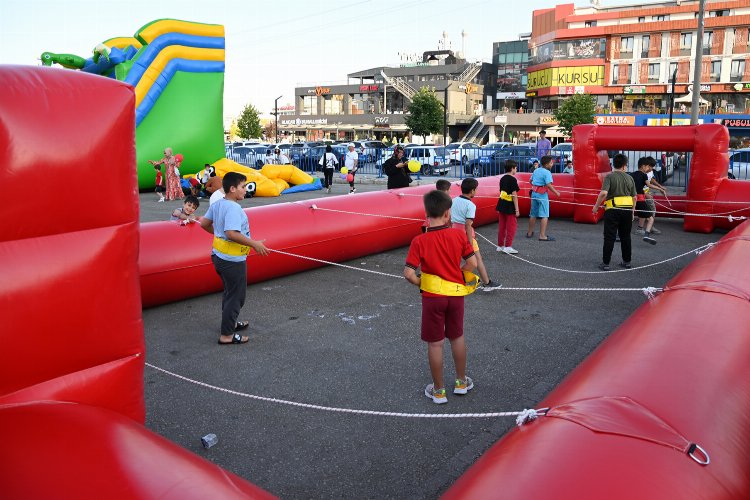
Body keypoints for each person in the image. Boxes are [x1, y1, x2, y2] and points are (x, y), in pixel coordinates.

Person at [403, 190, 478, 404]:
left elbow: (408, 273)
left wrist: (423, 282)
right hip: (455, 294)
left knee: (435, 344)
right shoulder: (459, 235)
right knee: (457, 337)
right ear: (448, 214)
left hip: (432, 297)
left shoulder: (419, 240)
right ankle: (461, 382)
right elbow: (472, 263)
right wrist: (458, 275)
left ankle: (438, 391)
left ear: (427, 213)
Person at [199, 172, 269, 345]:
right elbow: (231, 233)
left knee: (230, 294)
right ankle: (227, 335)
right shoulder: (233, 208)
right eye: (243, 187)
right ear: (232, 189)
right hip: (232, 260)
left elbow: (204, 224)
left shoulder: (218, 204)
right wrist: (254, 244)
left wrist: (218, 234)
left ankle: (229, 324)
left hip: (219, 256)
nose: (246, 190)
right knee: (237, 297)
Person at [451, 178, 500, 290]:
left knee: (455, 259)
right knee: (477, 259)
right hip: (465, 235)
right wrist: (469, 242)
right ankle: (486, 283)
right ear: (472, 190)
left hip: (454, 233)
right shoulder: (471, 205)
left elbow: (449, 219)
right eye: (476, 189)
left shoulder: (453, 201)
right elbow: (468, 224)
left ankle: (454, 279)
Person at [592, 153, 637, 271]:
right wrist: (632, 212)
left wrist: (596, 207)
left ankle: (606, 263)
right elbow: (635, 197)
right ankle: (627, 261)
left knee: (609, 236)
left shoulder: (610, 177)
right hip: (627, 210)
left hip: (612, 210)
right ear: (624, 166)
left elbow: (603, 193)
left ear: (613, 164)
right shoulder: (630, 178)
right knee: (626, 236)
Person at [526, 155, 560, 241]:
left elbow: (530, 181)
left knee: (533, 214)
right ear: (546, 164)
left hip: (534, 193)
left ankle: (529, 233)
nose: (552, 164)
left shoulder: (536, 170)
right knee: (545, 214)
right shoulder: (547, 172)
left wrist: (536, 186)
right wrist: (556, 192)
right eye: (551, 163)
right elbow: (548, 184)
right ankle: (542, 235)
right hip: (542, 195)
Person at [630, 157, 658, 245]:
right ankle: (646, 235)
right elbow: (649, 185)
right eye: (647, 167)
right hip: (640, 199)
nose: (648, 169)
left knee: (629, 216)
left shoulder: (632, 174)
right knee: (650, 219)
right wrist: (660, 188)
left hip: (631, 198)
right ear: (643, 166)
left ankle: (621, 233)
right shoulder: (644, 175)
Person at [496, 160, 521, 254]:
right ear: (512, 168)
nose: (516, 169)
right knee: (511, 227)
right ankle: (508, 246)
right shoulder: (513, 179)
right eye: (516, 168)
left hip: (501, 204)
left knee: (502, 226)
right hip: (509, 206)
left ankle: (500, 245)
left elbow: (501, 192)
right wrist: (517, 209)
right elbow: (514, 195)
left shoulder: (502, 178)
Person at [644, 164, 667, 235]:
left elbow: (651, 179)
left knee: (649, 210)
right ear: (646, 166)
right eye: (651, 166)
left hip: (646, 193)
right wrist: (660, 188)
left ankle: (646, 227)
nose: (652, 168)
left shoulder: (650, 172)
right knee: (650, 209)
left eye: (653, 166)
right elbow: (647, 185)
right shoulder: (642, 174)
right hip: (642, 194)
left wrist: (660, 186)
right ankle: (648, 227)